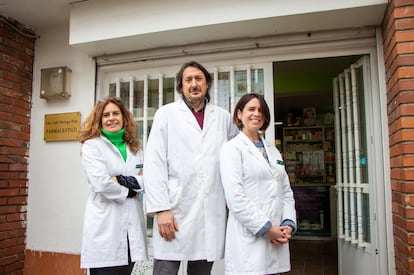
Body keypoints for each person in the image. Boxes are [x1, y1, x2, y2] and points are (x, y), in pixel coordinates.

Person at [143, 61, 238, 275]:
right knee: (166, 270)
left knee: (201, 271)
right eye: (188, 80)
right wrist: (161, 209)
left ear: (207, 84)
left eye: (199, 79)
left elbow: (236, 156)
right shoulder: (166, 115)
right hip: (174, 210)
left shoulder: (223, 117)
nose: (194, 84)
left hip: (210, 212)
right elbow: (154, 163)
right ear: (181, 87)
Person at [219, 93, 297, 275]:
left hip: (277, 236)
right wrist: (267, 229)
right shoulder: (232, 149)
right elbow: (235, 198)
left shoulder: (273, 150)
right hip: (250, 239)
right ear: (239, 114)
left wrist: (287, 225)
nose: (256, 114)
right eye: (251, 109)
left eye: (261, 110)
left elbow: (285, 191)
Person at [79, 96, 147, 275]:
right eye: (106, 115)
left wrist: (119, 179)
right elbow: (101, 184)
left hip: (131, 229)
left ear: (124, 117)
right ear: (99, 120)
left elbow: (148, 180)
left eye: (116, 113)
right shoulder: (92, 147)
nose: (111, 118)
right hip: (105, 229)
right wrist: (133, 188)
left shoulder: (136, 150)